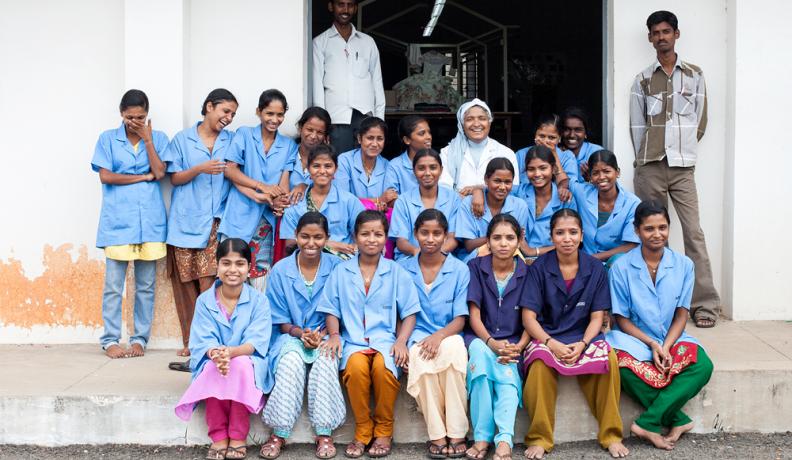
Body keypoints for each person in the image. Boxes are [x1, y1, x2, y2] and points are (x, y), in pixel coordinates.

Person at [629, 10, 719, 328]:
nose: (662, 37)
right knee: (654, 238)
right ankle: (661, 306)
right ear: (650, 38)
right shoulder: (642, 79)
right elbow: (637, 126)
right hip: (650, 167)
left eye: (667, 31)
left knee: (693, 233)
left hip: (682, 168)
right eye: (656, 32)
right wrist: (644, 160)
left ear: (676, 34)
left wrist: (682, 151)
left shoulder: (694, 75)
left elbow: (700, 121)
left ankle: (705, 304)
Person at [520, 209, 629, 459]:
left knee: (607, 361)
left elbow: (597, 318)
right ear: (552, 236)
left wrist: (583, 343)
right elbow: (529, 318)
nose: (566, 238)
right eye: (560, 233)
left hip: (584, 335)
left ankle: (611, 434)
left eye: (572, 232)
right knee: (537, 366)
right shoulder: (538, 268)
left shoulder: (595, 268)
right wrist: (551, 343)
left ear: (581, 236)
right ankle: (539, 438)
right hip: (547, 336)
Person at [607, 201, 714, 450]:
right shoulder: (620, 266)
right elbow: (620, 318)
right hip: (633, 338)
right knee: (617, 365)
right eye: (649, 229)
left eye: (662, 228)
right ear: (637, 231)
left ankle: (649, 421)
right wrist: (652, 344)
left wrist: (665, 345)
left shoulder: (684, 265)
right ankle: (676, 419)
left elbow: (681, 314)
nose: (657, 234)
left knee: (703, 366)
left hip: (671, 336)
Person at [317, 210, 421, 458]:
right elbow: (331, 308)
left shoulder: (395, 272)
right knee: (355, 368)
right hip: (353, 340)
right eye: (365, 234)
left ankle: (384, 430)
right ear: (355, 236)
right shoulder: (342, 272)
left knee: (383, 369)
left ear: (386, 237)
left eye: (378, 234)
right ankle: (363, 429)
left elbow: (410, 313)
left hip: (386, 341)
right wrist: (333, 335)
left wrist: (401, 341)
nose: (371, 239)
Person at [174, 238, 272, 460]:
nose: (233, 270)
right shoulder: (204, 301)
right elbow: (202, 340)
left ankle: (237, 436)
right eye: (226, 263)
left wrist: (230, 353)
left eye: (240, 264)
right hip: (214, 359)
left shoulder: (259, 301)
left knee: (240, 366)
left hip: (247, 361)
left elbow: (255, 343)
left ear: (249, 268)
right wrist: (216, 354)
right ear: (217, 267)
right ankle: (218, 436)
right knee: (213, 368)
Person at [162, 89, 238, 369]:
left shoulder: (232, 140)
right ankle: (190, 340)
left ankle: (210, 339)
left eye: (232, 114)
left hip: (216, 221)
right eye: (225, 111)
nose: (228, 118)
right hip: (185, 220)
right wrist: (200, 168)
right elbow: (175, 178)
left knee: (209, 282)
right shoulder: (182, 140)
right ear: (209, 107)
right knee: (185, 282)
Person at [260, 213, 345, 459]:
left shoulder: (337, 268)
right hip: (290, 334)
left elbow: (342, 309)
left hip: (328, 334)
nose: (311, 243)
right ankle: (279, 432)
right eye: (305, 236)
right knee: (290, 363)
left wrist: (326, 334)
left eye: (318, 237)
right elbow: (279, 319)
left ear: (327, 239)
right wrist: (301, 333)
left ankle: (324, 432)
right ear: (296, 236)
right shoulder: (280, 270)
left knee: (325, 360)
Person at [91, 89, 168, 359]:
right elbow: (106, 176)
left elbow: (159, 173)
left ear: (147, 115)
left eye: (140, 117)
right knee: (114, 286)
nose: (134, 121)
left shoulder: (158, 138)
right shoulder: (107, 139)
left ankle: (139, 340)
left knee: (145, 286)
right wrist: (140, 178)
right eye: (129, 117)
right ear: (121, 114)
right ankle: (110, 340)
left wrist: (148, 141)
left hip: (150, 223)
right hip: (117, 223)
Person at [400, 210, 469, 458]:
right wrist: (405, 342)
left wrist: (439, 336)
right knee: (419, 356)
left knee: (453, 353)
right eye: (424, 233)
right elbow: (402, 313)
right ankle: (438, 435)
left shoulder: (459, 269)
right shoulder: (403, 269)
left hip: (449, 332)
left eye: (437, 233)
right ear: (415, 234)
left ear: (445, 236)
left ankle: (458, 432)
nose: (430, 238)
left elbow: (460, 318)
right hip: (416, 333)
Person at [465, 214, 531, 460]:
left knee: (508, 377)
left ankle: (504, 439)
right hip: (480, 338)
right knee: (480, 366)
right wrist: (491, 343)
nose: (503, 243)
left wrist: (520, 347)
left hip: (514, 339)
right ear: (488, 241)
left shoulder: (527, 272)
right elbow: (474, 314)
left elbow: (530, 317)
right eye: (497, 238)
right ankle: (482, 437)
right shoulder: (476, 268)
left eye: (510, 238)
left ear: (519, 240)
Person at [219, 89, 296, 290]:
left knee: (261, 270)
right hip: (239, 213)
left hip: (266, 220)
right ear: (258, 112)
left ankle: (258, 319)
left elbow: (284, 183)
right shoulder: (244, 134)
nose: (275, 119)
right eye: (269, 113)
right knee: (232, 266)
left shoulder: (288, 145)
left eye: (280, 115)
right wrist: (260, 189)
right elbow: (230, 171)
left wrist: (280, 201)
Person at [313, 0, 385, 154]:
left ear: (356, 8)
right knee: (339, 166)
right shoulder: (320, 42)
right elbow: (317, 85)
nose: (345, 9)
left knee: (365, 166)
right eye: (340, 4)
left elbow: (377, 82)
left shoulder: (368, 42)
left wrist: (380, 120)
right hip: (335, 119)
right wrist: (321, 124)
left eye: (350, 5)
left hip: (365, 117)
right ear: (331, 6)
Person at [280, 144, 365, 259]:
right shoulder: (296, 202)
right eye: (316, 166)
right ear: (309, 168)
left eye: (328, 166)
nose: (322, 171)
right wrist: (327, 244)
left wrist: (355, 248)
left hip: (343, 265)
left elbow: (364, 234)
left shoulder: (349, 201)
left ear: (336, 168)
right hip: (306, 262)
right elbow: (290, 246)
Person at [570, 150, 640, 265]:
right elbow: (567, 181)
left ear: (617, 172)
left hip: (615, 264)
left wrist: (593, 258)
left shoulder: (632, 203)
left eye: (607, 171)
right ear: (590, 176)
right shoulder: (582, 193)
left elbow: (631, 245)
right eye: (595, 173)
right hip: (583, 264)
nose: (601, 177)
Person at [388, 149, 460, 259]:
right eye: (421, 168)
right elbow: (401, 241)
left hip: (444, 258)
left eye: (433, 167)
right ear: (414, 171)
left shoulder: (453, 199)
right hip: (410, 258)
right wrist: (419, 254)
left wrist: (437, 255)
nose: (427, 173)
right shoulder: (403, 201)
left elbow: (453, 238)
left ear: (441, 170)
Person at [439, 98, 519, 195]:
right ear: (462, 124)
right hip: (458, 205)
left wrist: (479, 190)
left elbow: (513, 189)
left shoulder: (506, 153)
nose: (476, 124)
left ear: (490, 122)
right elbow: (444, 188)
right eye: (469, 119)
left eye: (482, 118)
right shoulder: (448, 153)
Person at [454, 158, 529, 261]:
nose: (502, 187)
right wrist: (502, 237)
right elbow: (469, 245)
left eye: (507, 182)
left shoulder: (520, 206)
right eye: (497, 181)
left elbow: (517, 241)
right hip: (474, 259)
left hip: (507, 258)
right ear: (486, 179)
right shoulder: (468, 203)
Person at [512, 146, 577, 260]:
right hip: (519, 260)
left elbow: (572, 241)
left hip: (555, 260)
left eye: (543, 168)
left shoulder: (565, 198)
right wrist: (477, 191)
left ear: (553, 169)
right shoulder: (519, 192)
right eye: (531, 169)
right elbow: (492, 188)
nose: (537, 174)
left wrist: (534, 252)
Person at [335, 117, 396, 212]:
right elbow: (342, 199)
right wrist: (378, 200)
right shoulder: (344, 161)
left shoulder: (388, 165)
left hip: (378, 222)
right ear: (359, 139)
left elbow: (389, 200)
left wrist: (383, 201)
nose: (375, 144)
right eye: (370, 138)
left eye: (380, 139)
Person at [287, 106, 332, 203]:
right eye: (310, 129)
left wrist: (306, 186)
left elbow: (330, 192)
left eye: (320, 132)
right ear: (300, 128)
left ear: (325, 136)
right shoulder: (287, 153)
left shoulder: (329, 162)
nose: (313, 136)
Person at [515, 115, 575, 186]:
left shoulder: (567, 157)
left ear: (559, 138)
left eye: (551, 138)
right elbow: (514, 184)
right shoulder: (521, 155)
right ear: (535, 135)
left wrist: (554, 154)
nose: (545, 141)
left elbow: (569, 186)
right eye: (541, 136)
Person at [384, 115, 432, 194]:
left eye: (429, 132)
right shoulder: (395, 166)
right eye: (422, 133)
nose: (429, 137)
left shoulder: (436, 161)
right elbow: (391, 199)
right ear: (407, 140)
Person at [560, 107, 603, 182]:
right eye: (567, 129)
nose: (572, 135)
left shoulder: (597, 153)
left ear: (585, 133)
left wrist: (591, 179)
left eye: (578, 130)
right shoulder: (555, 152)